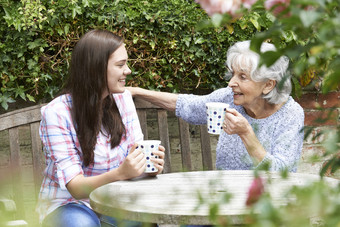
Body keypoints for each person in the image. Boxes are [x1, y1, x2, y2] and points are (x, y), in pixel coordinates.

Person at [36, 29, 165, 227]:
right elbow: (76, 188)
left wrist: (147, 167)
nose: (128, 70)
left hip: (116, 201)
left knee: (145, 221)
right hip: (70, 204)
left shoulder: (123, 101)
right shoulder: (57, 113)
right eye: (120, 65)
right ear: (96, 68)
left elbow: (134, 158)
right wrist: (121, 173)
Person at [128, 40, 304, 173]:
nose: (231, 83)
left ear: (268, 85)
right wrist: (137, 91)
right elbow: (187, 105)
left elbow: (282, 173)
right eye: (233, 74)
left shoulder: (290, 114)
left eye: (242, 77)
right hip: (224, 199)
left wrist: (246, 133)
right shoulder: (229, 98)